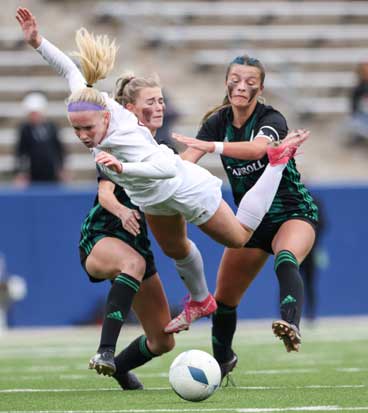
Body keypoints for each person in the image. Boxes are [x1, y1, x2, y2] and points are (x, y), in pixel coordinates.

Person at [16, 6, 307, 341]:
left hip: (180, 186)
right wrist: (38, 42)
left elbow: (168, 168)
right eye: (76, 129)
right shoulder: (88, 104)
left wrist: (124, 168)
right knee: (176, 249)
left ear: (107, 117)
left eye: (87, 128)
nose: (82, 135)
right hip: (151, 199)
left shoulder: (120, 129)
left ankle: (277, 162)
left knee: (239, 237)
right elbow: (68, 68)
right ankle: (200, 300)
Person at [174, 55, 319, 381]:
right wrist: (159, 172)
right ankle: (222, 363)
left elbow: (257, 151)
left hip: (292, 211)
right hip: (251, 222)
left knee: (286, 257)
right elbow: (187, 162)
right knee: (224, 299)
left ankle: (289, 322)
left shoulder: (271, 118)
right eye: (235, 78)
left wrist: (211, 146)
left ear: (261, 87)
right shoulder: (217, 121)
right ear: (226, 81)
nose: (241, 85)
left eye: (250, 80)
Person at [14, 91, 67, 186]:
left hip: (51, 172)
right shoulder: (25, 130)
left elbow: (59, 149)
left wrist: (61, 169)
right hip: (33, 173)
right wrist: (21, 173)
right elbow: (21, 152)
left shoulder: (52, 127)